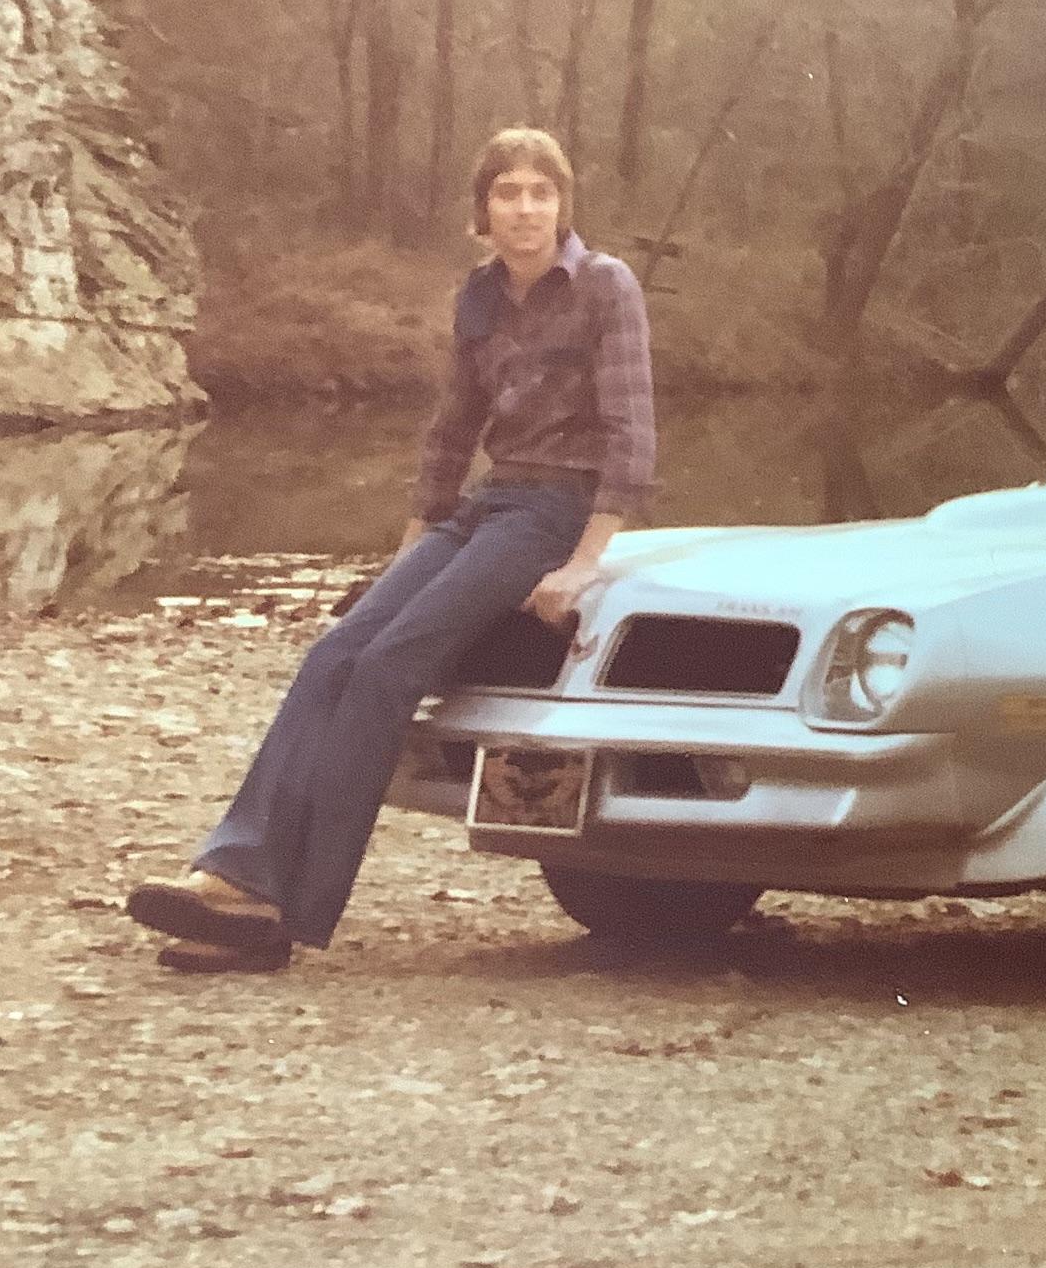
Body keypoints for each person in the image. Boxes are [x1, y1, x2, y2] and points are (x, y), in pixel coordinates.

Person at [123, 128, 654, 972]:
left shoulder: (604, 286)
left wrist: (586, 560)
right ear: (482, 210)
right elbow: (452, 431)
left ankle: (279, 908)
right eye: (507, 192)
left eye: (540, 192)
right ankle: (236, 868)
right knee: (336, 650)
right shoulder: (479, 295)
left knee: (389, 667)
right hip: (487, 504)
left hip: (552, 511)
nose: (525, 208)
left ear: (562, 204)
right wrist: (411, 550)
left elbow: (631, 437)